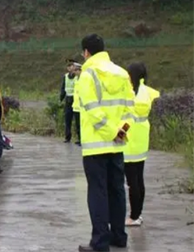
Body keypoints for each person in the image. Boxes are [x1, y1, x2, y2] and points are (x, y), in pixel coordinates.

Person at [76, 34, 135, 252]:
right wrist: (120, 133)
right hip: (117, 144)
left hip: (95, 146)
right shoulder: (122, 73)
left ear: (86, 52)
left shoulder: (87, 75)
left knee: (98, 191)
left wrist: (110, 132)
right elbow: (131, 109)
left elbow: (92, 109)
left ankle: (100, 242)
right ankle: (119, 236)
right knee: (117, 190)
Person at [124, 62, 160, 227]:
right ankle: (138, 214)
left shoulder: (128, 93)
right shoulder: (149, 92)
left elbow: (125, 117)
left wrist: (119, 132)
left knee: (132, 182)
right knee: (139, 179)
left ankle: (134, 216)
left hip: (129, 137)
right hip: (142, 137)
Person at [60, 60, 78, 143]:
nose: (71, 67)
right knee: (67, 120)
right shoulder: (66, 76)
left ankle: (79, 139)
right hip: (68, 100)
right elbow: (63, 88)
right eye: (69, 66)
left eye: (72, 66)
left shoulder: (78, 76)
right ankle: (67, 137)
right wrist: (61, 98)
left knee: (78, 121)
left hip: (76, 100)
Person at [72, 63, 83, 146]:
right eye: (74, 70)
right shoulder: (76, 79)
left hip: (82, 107)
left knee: (82, 125)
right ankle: (79, 139)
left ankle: (82, 140)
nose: (75, 72)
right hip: (76, 106)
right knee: (77, 125)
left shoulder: (84, 79)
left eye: (76, 70)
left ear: (80, 70)